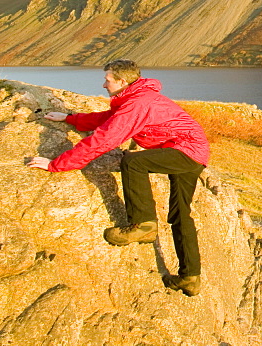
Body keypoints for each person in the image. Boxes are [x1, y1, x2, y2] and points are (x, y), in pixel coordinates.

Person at [26, 59, 210, 297]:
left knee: (133, 161)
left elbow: (104, 139)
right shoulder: (135, 97)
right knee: (180, 214)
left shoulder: (137, 104)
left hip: (185, 151)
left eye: (108, 79)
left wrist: (56, 164)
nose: (103, 84)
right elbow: (108, 120)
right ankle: (190, 278)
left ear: (123, 81)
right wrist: (70, 118)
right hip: (192, 151)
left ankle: (143, 225)